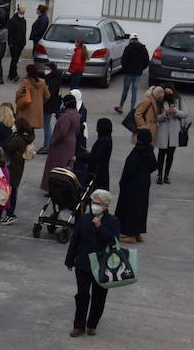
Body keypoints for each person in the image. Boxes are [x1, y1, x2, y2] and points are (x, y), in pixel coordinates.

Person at [66, 189, 120, 336]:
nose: (94, 206)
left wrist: (100, 226)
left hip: (103, 265)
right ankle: (79, 326)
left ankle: (92, 324)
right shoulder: (84, 219)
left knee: (99, 296)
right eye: (93, 203)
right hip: (83, 263)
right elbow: (75, 240)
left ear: (105, 206)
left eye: (98, 204)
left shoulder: (112, 221)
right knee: (82, 295)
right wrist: (70, 259)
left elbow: (113, 241)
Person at [116, 129, 158, 243]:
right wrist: (144, 172)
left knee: (131, 208)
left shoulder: (137, 152)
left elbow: (129, 169)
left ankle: (131, 234)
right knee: (141, 207)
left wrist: (123, 182)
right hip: (144, 182)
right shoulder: (149, 150)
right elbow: (154, 165)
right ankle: (138, 232)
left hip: (132, 183)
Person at [39, 96, 80, 194]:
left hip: (61, 145)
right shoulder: (77, 114)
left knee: (56, 166)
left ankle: (54, 189)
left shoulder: (66, 116)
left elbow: (62, 133)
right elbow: (78, 130)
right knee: (66, 166)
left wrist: (54, 141)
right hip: (71, 142)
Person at [2, 117, 35, 224]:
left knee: (11, 191)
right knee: (13, 190)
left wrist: (11, 134)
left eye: (15, 125)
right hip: (18, 167)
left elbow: (6, 146)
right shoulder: (24, 138)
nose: (13, 126)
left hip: (13, 168)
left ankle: (10, 214)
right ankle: (9, 213)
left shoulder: (17, 139)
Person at [154, 87, 188, 184]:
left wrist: (175, 111)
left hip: (174, 132)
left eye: (170, 92)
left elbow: (185, 114)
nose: (168, 94)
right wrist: (165, 114)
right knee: (161, 154)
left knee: (170, 155)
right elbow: (156, 117)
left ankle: (166, 175)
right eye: (166, 92)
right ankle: (159, 175)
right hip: (163, 132)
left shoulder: (179, 100)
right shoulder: (159, 101)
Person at [15, 64, 48, 147]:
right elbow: (47, 96)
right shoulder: (42, 82)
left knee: (23, 128)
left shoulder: (26, 82)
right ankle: (31, 146)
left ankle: (24, 145)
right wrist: (41, 103)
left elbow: (19, 93)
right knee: (32, 129)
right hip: (37, 110)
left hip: (26, 109)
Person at [116, 34, 149, 113]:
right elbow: (146, 61)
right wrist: (141, 69)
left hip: (128, 73)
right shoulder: (143, 48)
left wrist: (125, 69)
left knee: (125, 90)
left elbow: (123, 60)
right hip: (137, 74)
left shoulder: (128, 48)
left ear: (131, 39)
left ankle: (120, 107)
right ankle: (132, 110)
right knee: (134, 92)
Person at [38, 61, 63, 151]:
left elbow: (49, 94)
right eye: (45, 69)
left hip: (48, 106)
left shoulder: (51, 81)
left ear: (52, 70)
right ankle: (48, 145)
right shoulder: (54, 78)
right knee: (47, 125)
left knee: (46, 126)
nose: (46, 71)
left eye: (47, 69)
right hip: (53, 105)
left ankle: (47, 146)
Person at [5, 6, 27, 81]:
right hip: (14, 44)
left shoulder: (24, 21)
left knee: (15, 60)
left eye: (23, 13)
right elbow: (9, 33)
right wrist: (10, 43)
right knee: (14, 59)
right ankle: (14, 75)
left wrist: (24, 42)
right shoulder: (12, 20)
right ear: (18, 11)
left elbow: (24, 32)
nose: (22, 14)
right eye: (21, 13)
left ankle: (11, 74)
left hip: (21, 44)